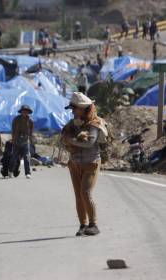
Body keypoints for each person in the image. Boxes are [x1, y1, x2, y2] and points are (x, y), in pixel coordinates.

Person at [61, 92, 102, 236]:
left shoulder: (94, 123)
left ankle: (93, 224)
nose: (72, 111)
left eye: (74, 108)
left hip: (91, 163)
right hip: (74, 163)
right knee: (78, 195)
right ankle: (83, 225)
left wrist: (71, 140)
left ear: (83, 108)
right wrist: (67, 138)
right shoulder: (72, 124)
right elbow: (63, 139)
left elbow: (90, 143)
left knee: (85, 193)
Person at [9, 105, 34, 179]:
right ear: (21, 112)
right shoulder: (16, 119)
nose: (25, 112)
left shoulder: (30, 121)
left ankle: (28, 173)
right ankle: (10, 171)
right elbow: (13, 130)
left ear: (28, 112)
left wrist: (30, 139)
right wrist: (13, 139)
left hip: (25, 142)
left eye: (27, 111)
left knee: (26, 157)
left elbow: (31, 131)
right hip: (16, 141)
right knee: (14, 157)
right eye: (24, 111)